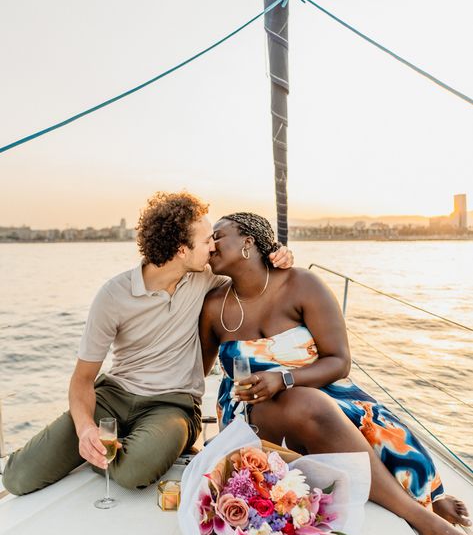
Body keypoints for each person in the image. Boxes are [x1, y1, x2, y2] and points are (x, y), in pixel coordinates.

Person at [199, 211, 473, 535]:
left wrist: (284, 379)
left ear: (248, 242)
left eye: (218, 235)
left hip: (321, 391)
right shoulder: (212, 305)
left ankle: (419, 497)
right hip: (250, 410)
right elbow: (195, 374)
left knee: (318, 404)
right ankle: (428, 524)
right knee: (310, 405)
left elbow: (339, 361)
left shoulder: (301, 284)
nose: (210, 244)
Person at [2, 193, 293, 496]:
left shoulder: (207, 278)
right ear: (182, 250)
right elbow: (82, 380)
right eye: (207, 240)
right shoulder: (114, 295)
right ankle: (116, 446)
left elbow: (255, 278)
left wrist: (278, 255)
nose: (214, 246)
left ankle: (130, 448)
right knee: (18, 478)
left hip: (173, 406)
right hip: (112, 398)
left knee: (133, 473)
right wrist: (86, 429)